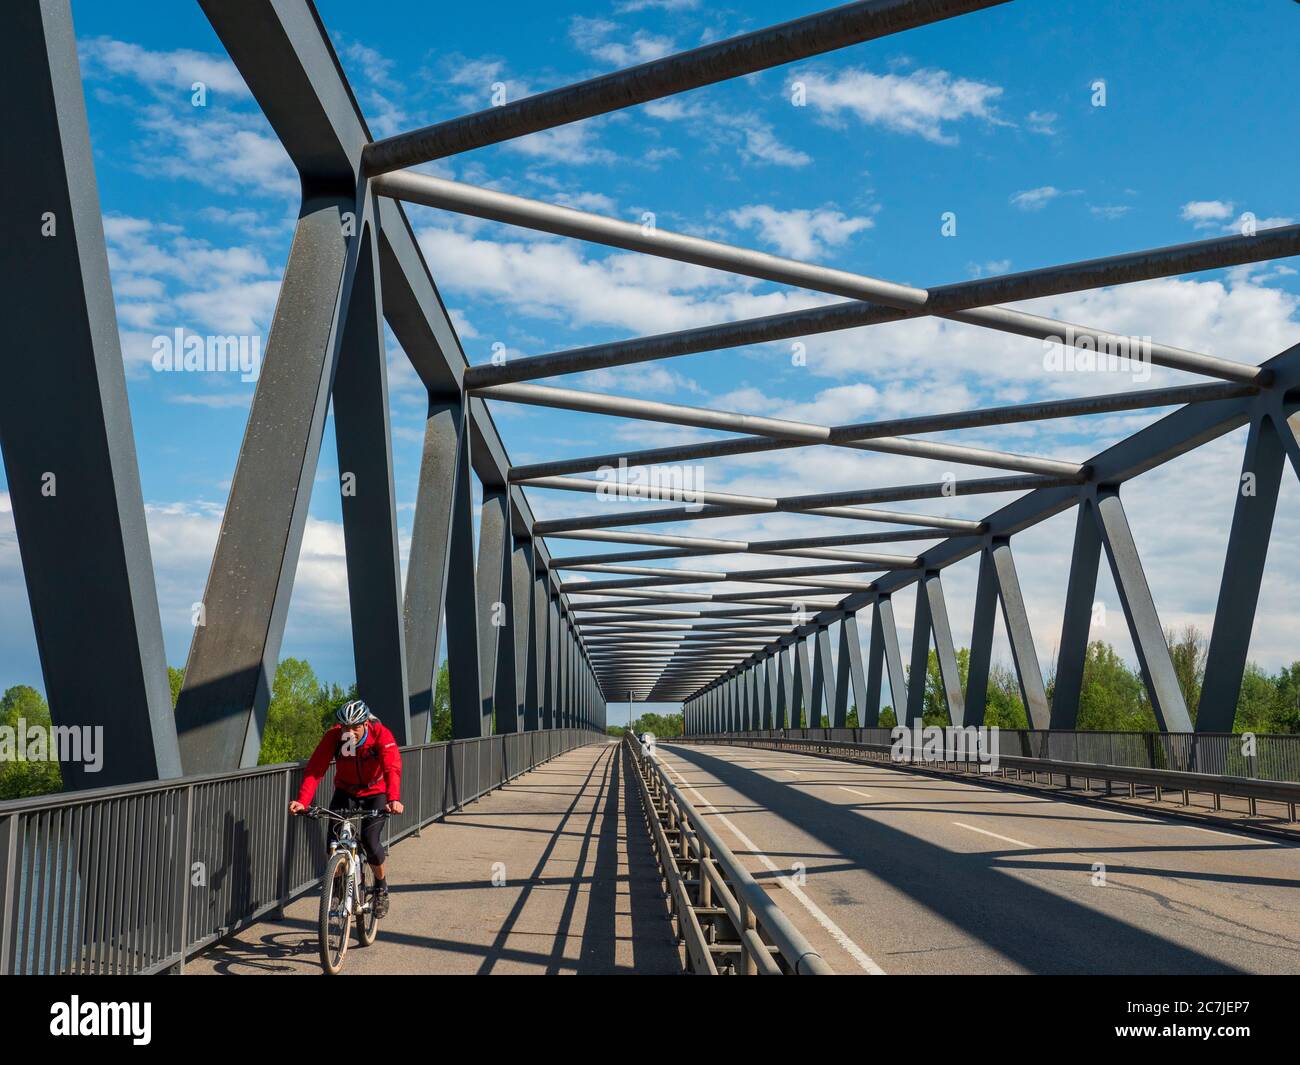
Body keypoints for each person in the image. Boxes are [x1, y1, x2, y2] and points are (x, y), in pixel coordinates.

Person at [288, 699, 404, 918]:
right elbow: (315, 769)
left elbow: (392, 767)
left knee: (370, 841)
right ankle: (341, 884)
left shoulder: (381, 734)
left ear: (366, 724)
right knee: (333, 843)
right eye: (345, 727)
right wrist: (303, 801)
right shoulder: (334, 737)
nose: (350, 732)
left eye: (356, 727)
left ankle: (381, 888)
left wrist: (393, 798)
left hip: (375, 793)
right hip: (346, 792)